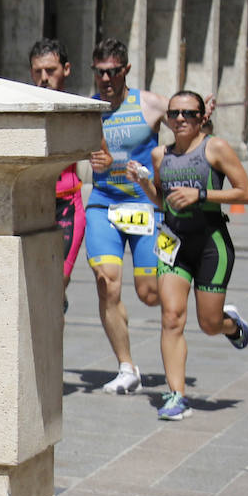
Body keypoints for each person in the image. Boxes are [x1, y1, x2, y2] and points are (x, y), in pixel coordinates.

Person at [127, 90, 248, 421]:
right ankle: (176, 395)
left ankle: (231, 326)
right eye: (175, 114)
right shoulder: (159, 155)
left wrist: (202, 194)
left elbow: (245, 192)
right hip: (172, 242)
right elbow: (161, 202)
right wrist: (142, 182)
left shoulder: (216, 148)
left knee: (209, 323)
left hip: (211, 242)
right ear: (167, 119)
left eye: (189, 114)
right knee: (171, 317)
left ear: (201, 118)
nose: (181, 119)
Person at [84, 38, 167, 394]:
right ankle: (126, 367)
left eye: (113, 72)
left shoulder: (149, 104)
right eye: (100, 72)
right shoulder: (88, 110)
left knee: (150, 293)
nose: (106, 79)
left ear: (126, 70)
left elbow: (188, 123)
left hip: (145, 209)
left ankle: (205, 298)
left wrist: (201, 115)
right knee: (107, 282)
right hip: (103, 204)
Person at [28, 39, 86, 302]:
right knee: (30, 280)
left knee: (57, 280)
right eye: (37, 71)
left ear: (66, 69)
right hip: (32, 203)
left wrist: (104, 162)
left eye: (50, 71)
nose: (43, 78)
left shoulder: (77, 110)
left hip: (66, 206)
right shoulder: (25, 108)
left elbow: (103, 153)